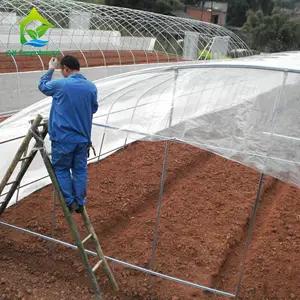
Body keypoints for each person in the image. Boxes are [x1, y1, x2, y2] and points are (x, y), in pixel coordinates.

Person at [38, 56, 98, 213]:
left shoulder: (61, 85)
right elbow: (93, 108)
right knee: (80, 171)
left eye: (61, 70)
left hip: (62, 139)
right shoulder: (91, 87)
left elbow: (42, 86)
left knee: (62, 169)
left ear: (66, 68)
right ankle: (80, 202)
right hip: (82, 139)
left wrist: (50, 69)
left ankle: (70, 202)